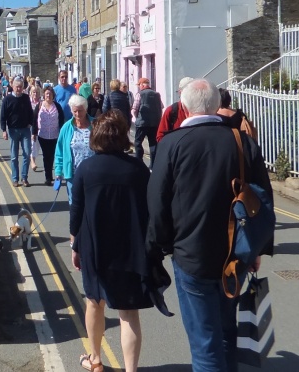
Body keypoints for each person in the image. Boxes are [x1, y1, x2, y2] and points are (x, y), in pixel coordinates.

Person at [146, 79, 274, 372]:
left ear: (185, 107)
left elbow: (156, 203)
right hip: (236, 255)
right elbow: (264, 200)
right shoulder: (242, 143)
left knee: (205, 345)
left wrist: (161, 246)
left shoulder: (171, 145)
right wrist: (256, 250)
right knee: (227, 331)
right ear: (217, 106)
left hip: (192, 257)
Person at [70, 110, 156, 372]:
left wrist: (75, 245)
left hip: (95, 247)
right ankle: (131, 370)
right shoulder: (138, 169)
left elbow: (77, 213)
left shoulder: (86, 168)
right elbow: (149, 209)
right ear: (122, 137)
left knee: (94, 303)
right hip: (130, 248)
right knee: (128, 313)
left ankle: (95, 360)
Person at [54, 94, 95, 204]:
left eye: (80, 111)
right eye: (75, 111)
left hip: (93, 175)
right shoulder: (66, 128)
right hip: (73, 175)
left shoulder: (95, 125)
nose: (77, 114)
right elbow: (59, 151)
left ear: (86, 109)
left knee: (91, 205)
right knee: (75, 205)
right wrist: (58, 171)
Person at [0, 77, 34, 187]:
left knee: (27, 154)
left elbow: (30, 112)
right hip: (13, 130)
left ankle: (24, 178)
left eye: (20, 87)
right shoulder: (7, 99)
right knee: (14, 157)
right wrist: (4, 130)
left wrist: (30, 123)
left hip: (25, 130)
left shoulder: (26, 98)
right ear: (13, 87)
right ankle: (15, 178)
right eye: (16, 87)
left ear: (23, 87)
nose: (18, 89)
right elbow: (3, 116)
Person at [33, 86, 65, 186]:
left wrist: (62, 132)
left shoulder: (57, 106)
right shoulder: (39, 106)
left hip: (55, 135)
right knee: (46, 156)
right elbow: (34, 120)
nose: (48, 95)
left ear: (53, 95)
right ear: (44, 95)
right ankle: (48, 177)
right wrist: (34, 133)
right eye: (47, 94)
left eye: (50, 94)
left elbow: (61, 119)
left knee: (54, 155)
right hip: (43, 135)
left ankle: (56, 175)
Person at [132, 77, 163, 168]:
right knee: (153, 143)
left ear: (142, 85)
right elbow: (161, 106)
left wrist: (137, 117)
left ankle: (139, 162)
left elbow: (134, 109)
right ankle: (153, 165)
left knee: (138, 142)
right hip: (154, 123)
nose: (139, 87)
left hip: (142, 123)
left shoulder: (140, 94)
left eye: (139, 85)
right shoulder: (157, 94)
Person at [156, 76, 194, 142]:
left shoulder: (203, 110)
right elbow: (160, 137)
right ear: (180, 92)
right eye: (188, 91)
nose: (191, 94)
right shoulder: (172, 111)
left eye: (194, 91)